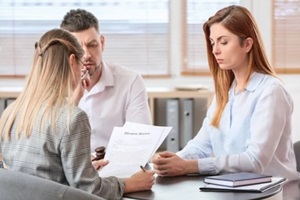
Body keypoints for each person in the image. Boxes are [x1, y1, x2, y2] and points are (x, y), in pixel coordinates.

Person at [0, 28, 155, 200]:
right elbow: (89, 190)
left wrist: (85, 168)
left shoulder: (11, 113)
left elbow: (42, 175)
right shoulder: (73, 118)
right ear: (72, 61)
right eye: (81, 63)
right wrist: (130, 183)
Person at [152, 5, 300, 182]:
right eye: (213, 43)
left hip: (271, 194)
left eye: (223, 42)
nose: (215, 50)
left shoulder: (271, 92)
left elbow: (255, 161)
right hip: (230, 189)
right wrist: (172, 161)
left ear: (247, 44)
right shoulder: (224, 94)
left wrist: (189, 166)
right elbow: (200, 146)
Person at [60, 9, 152, 155]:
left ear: (102, 43)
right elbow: (52, 144)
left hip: (118, 168)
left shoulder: (131, 81)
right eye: (78, 48)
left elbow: (139, 143)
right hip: (72, 171)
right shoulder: (53, 84)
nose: (87, 55)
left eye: (92, 45)